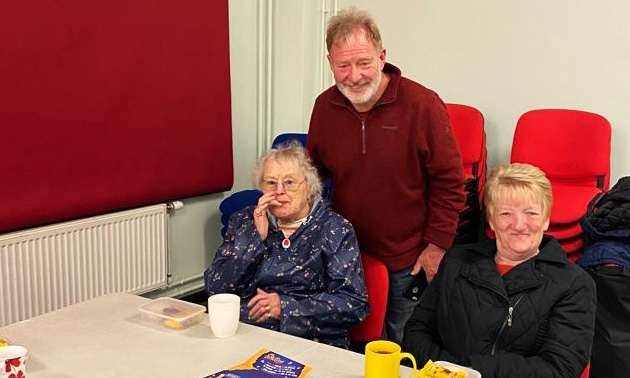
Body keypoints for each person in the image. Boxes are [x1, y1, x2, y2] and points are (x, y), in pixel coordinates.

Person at [307, 6, 465, 345]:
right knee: (346, 342)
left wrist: (436, 247)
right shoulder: (324, 107)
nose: (354, 76)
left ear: (382, 57)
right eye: (342, 65)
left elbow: (450, 183)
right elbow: (313, 179)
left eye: (363, 62)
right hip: (345, 254)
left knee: (400, 343)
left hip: (407, 259)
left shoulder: (423, 105)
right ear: (330, 63)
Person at [403, 163, 596, 378]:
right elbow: (416, 331)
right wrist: (451, 371)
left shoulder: (574, 284)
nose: (519, 224)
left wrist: (470, 371)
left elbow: (559, 368)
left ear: (546, 219)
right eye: (506, 213)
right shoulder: (456, 261)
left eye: (531, 213)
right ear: (491, 221)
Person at [204, 141, 368, 349]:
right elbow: (216, 289)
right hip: (244, 334)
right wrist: (255, 238)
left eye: (289, 182)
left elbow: (353, 303)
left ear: (309, 188)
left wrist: (285, 307)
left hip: (309, 342)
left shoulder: (335, 229)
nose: (279, 191)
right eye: (271, 183)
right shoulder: (245, 221)